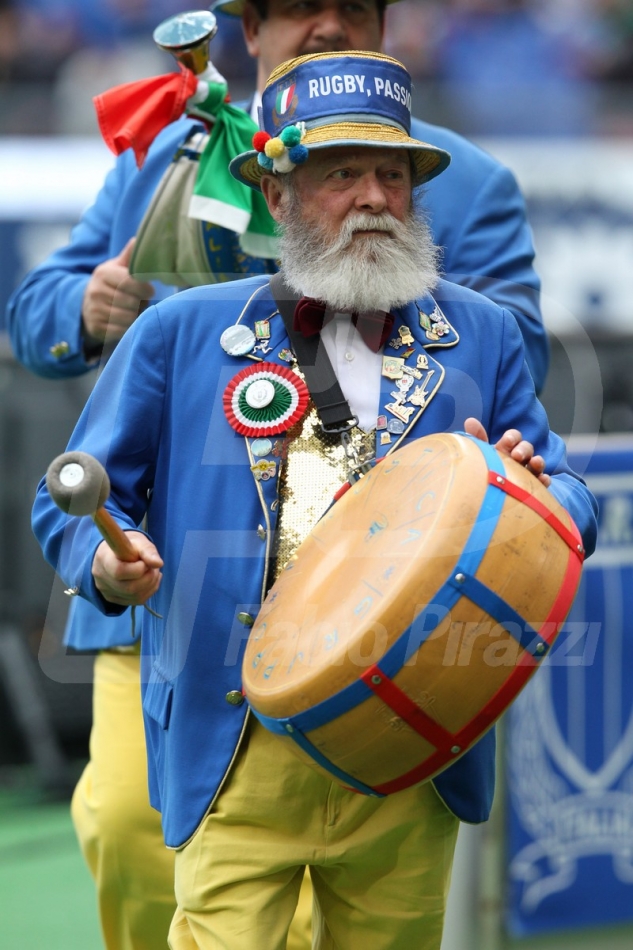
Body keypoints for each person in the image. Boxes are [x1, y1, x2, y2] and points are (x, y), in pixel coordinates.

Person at [9, 2, 549, 948]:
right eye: (300, 5)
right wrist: (93, 308)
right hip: (182, 593)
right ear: (249, 29)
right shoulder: (163, 154)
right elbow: (39, 316)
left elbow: (507, 368)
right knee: (132, 830)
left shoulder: (471, 186)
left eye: (354, 7)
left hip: (388, 626)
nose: (372, 197)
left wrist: (499, 465)